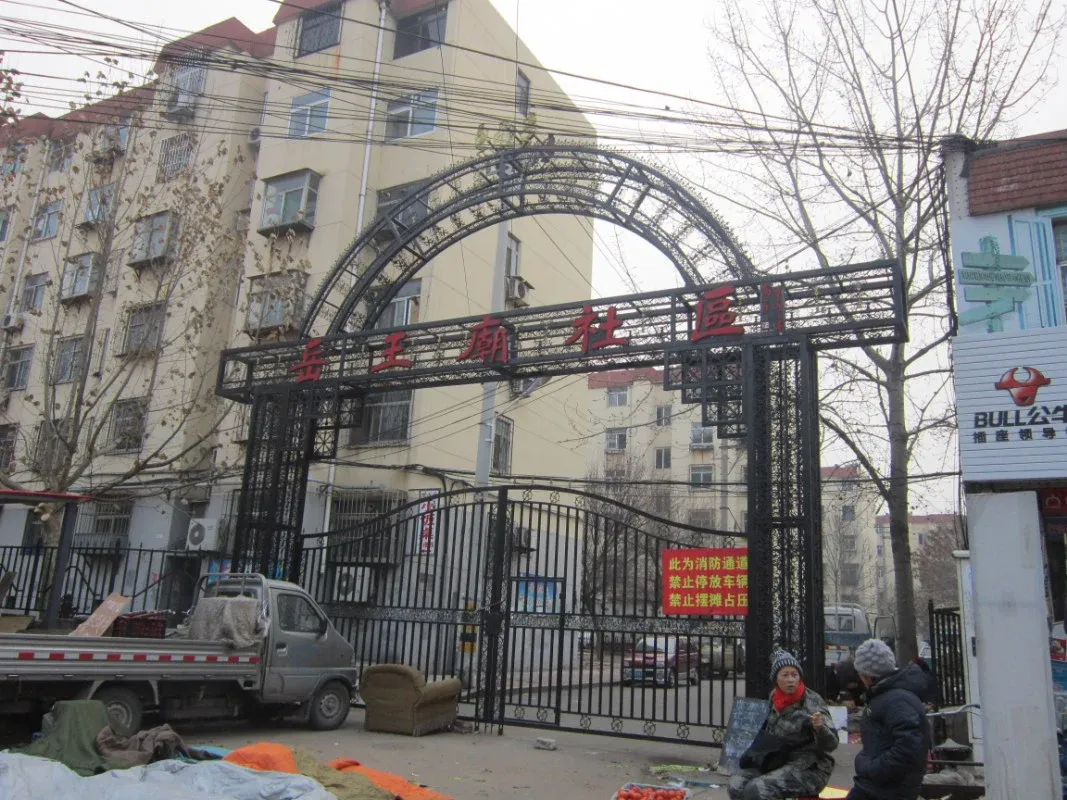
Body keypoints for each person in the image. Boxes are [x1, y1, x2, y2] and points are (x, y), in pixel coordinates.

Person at [729, 650, 838, 800]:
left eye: (794, 675)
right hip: (777, 760)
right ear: (776, 679)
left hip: (809, 767)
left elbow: (831, 745)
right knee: (736, 784)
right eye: (785, 675)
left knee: (758, 790)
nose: (790, 680)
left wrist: (820, 728)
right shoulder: (774, 697)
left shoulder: (812, 702)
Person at [848, 639, 931, 800]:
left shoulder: (896, 700)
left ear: (867, 675)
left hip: (885, 789)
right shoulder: (890, 696)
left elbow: (908, 749)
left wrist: (871, 768)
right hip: (881, 786)